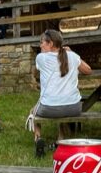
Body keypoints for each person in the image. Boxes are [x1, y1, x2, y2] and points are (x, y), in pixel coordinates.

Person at [32, 29, 92, 158]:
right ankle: (60, 138)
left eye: (42, 42)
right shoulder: (72, 56)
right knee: (62, 104)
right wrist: (71, 53)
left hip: (49, 109)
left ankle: (38, 139)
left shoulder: (41, 58)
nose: (40, 45)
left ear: (51, 44)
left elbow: (35, 73)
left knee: (33, 111)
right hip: (73, 108)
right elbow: (88, 70)